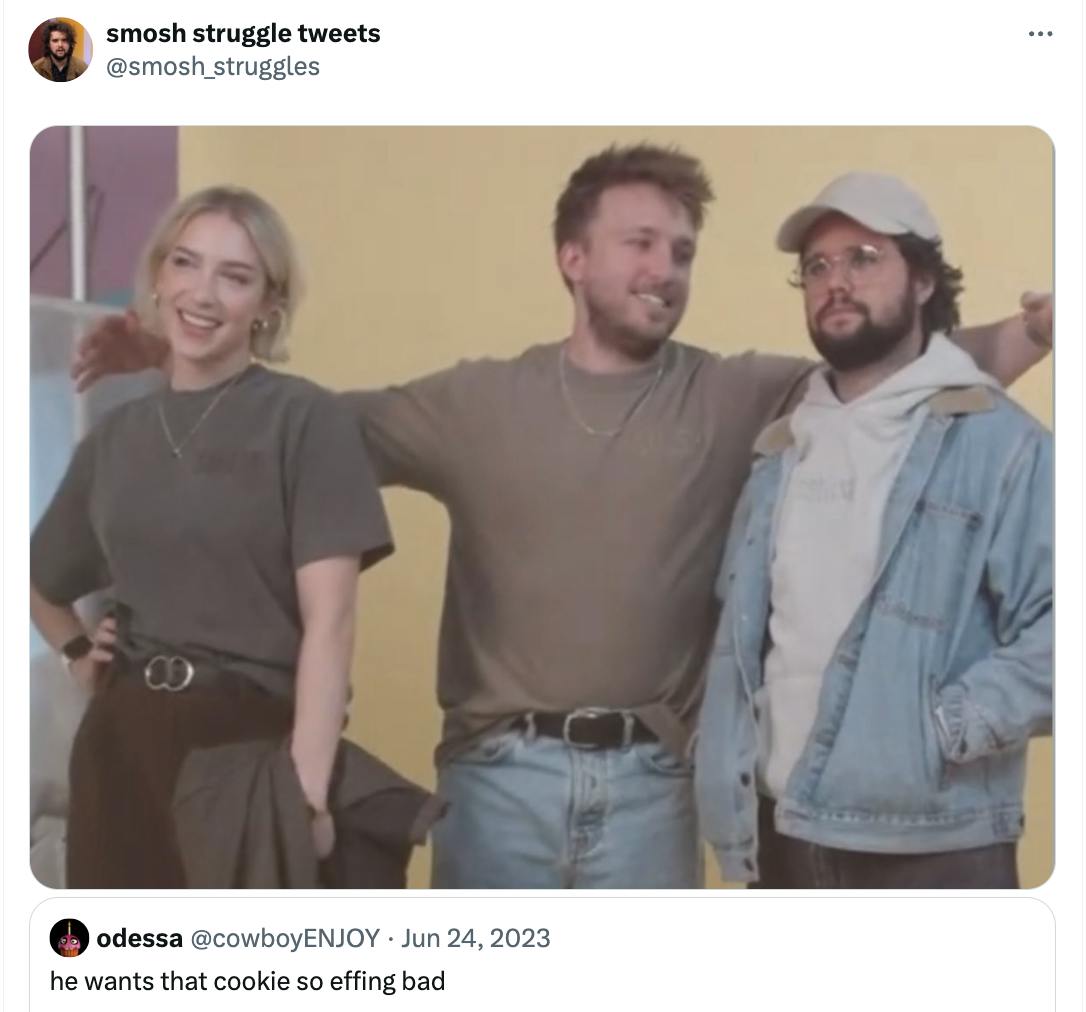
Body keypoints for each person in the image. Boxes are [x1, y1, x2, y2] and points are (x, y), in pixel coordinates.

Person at [71, 145, 1052, 889]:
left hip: (654, 790)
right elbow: (288, 436)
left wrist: (1039, 329)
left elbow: (898, 370)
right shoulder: (475, 403)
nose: (665, 268)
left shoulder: (734, 396)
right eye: (640, 244)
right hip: (496, 783)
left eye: (682, 251)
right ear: (571, 257)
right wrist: (175, 357)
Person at [695, 172, 1053, 888]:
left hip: (932, 842)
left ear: (922, 281)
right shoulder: (780, 453)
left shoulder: (1000, 444)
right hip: (780, 828)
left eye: (863, 258)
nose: (835, 281)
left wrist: (940, 731)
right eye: (818, 266)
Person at [31, 186, 394, 887]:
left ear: (269, 305)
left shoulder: (307, 422)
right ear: (159, 278)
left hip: (249, 750)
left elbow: (332, 624)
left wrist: (308, 792)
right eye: (187, 264)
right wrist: (79, 653)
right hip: (121, 749)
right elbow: (43, 581)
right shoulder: (115, 440)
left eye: (235, 276)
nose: (203, 292)